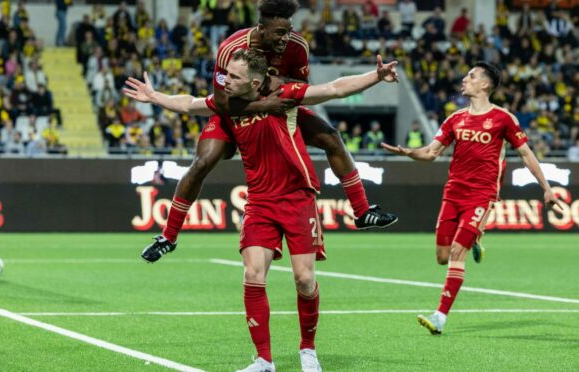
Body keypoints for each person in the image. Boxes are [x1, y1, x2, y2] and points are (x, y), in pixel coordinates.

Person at [123, 50, 399, 371]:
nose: (225, 81)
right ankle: (264, 361)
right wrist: (154, 96)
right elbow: (187, 103)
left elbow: (335, 88)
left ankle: (307, 350)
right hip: (259, 202)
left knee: (305, 280)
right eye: (226, 75)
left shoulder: (285, 96)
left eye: (234, 77)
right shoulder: (226, 105)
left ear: (254, 82)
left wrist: (375, 76)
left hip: (298, 197)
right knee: (253, 275)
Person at [153, 0, 398, 253]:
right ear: (261, 29)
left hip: (277, 111)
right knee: (203, 162)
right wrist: (262, 106)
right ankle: (168, 237)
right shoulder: (230, 49)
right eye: (280, 33)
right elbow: (220, 104)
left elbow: (316, 89)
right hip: (236, 113)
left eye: (289, 31)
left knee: (331, 137)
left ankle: (362, 211)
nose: (287, 38)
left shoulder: (297, 45)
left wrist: (375, 76)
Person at [382, 62, 563, 335]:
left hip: (482, 194)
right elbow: (431, 153)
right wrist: (407, 152)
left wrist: (547, 188)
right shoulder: (454, 119)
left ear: (485, 85)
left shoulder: (504, 118)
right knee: (442, 256)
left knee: (457, 252)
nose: (465, 78)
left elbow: (526, 154)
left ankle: (440, 316)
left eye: (472, 75)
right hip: (453, 192)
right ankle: (476, 237)